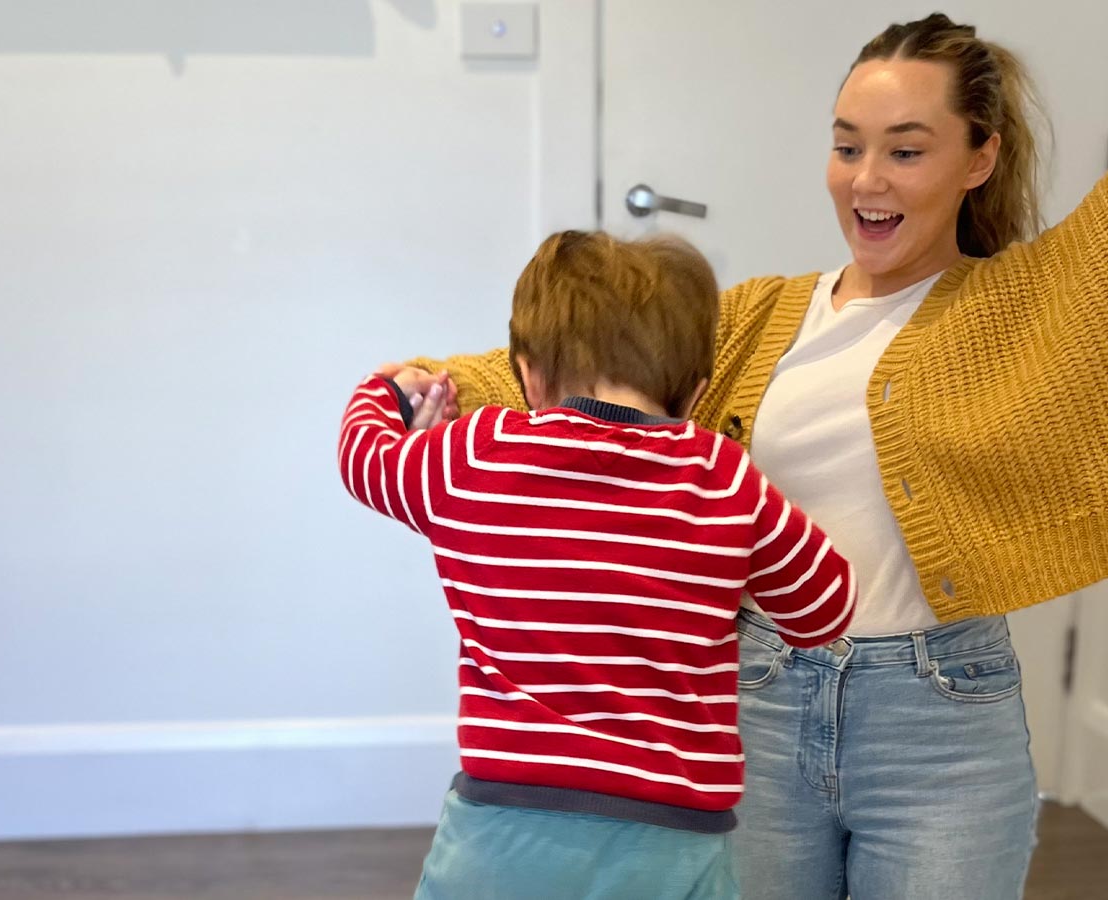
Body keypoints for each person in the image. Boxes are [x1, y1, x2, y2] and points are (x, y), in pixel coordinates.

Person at [384, 3, 1108, 897]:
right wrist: (410, 388)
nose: (866, 180)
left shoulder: (1058, 294)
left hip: (939, 724)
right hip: (755, 704)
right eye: (846, 145)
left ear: (979, 157)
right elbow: (557, 363)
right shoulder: (752, 318)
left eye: (906, 149)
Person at [339, 230, 858, 899]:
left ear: (528, 373)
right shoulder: (721, 477)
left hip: (503, 828)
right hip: (673, 841)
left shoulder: (475, 455)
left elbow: (363, 458)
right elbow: (825, 608)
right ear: (695, 392)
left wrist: (387, 392)